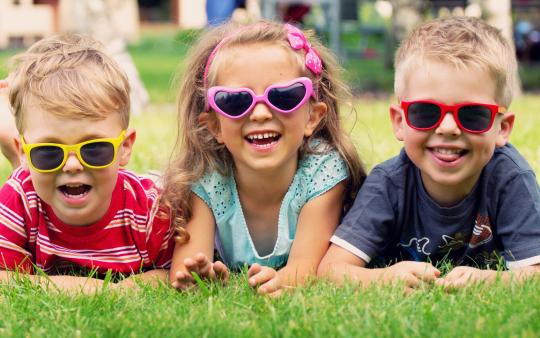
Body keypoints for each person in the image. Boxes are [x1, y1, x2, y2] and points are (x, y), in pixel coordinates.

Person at [318, 16, 540, 291]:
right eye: (426, 112)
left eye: (472, 115)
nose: (448, 128)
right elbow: (331, 269)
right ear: (400, 121)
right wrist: (385, 278)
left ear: (502, 128)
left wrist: (493, 281)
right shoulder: (387, 184)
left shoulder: (509, 178)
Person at [162, 21, 365, 296]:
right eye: (235, 101)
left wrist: (281, 281)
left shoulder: (323, 173)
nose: (259, 114)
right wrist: (199, 277)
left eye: (284, 97)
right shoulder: (205, 180)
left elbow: (303, 270)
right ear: (215, 126)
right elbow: (185, 269)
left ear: (313, 117)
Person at [0, 34, 175, 293]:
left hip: (146, 187)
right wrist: (91, 288)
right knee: (33, 178)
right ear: (25, 152)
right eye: (49, 151)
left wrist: (129, 288)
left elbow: (175, 272)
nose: (72, 165)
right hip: (30, 178)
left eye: (94, 149)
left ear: (124, 148)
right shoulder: (19, 200)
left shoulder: (151, 211)